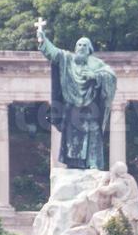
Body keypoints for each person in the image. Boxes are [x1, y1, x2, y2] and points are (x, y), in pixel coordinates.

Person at [37, 24, 116, 170]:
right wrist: (43, 40)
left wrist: (95, 76)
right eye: (78, 45)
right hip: (72, 107)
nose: (81, 47)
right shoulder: (67, 59)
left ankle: (93, 164)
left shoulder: (97, 64)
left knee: (93, 134)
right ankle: (75, 165)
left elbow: (110, 76)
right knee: (72, 139)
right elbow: (53, 53)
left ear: (90, 50)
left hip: (91, 109)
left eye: (84, 45)